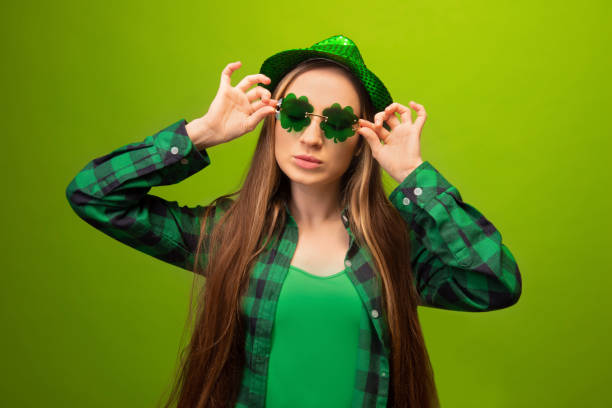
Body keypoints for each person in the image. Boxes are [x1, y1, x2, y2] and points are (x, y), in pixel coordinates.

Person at [65, 34, 522, 408]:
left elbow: (494, 282)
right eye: (296, 113)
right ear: (272, 118)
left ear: (362, 139)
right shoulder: (230, 237)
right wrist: (201, 133)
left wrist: (412, 177)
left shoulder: (393, 250)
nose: (311, 136)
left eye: (338, 122)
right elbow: (95, 194)